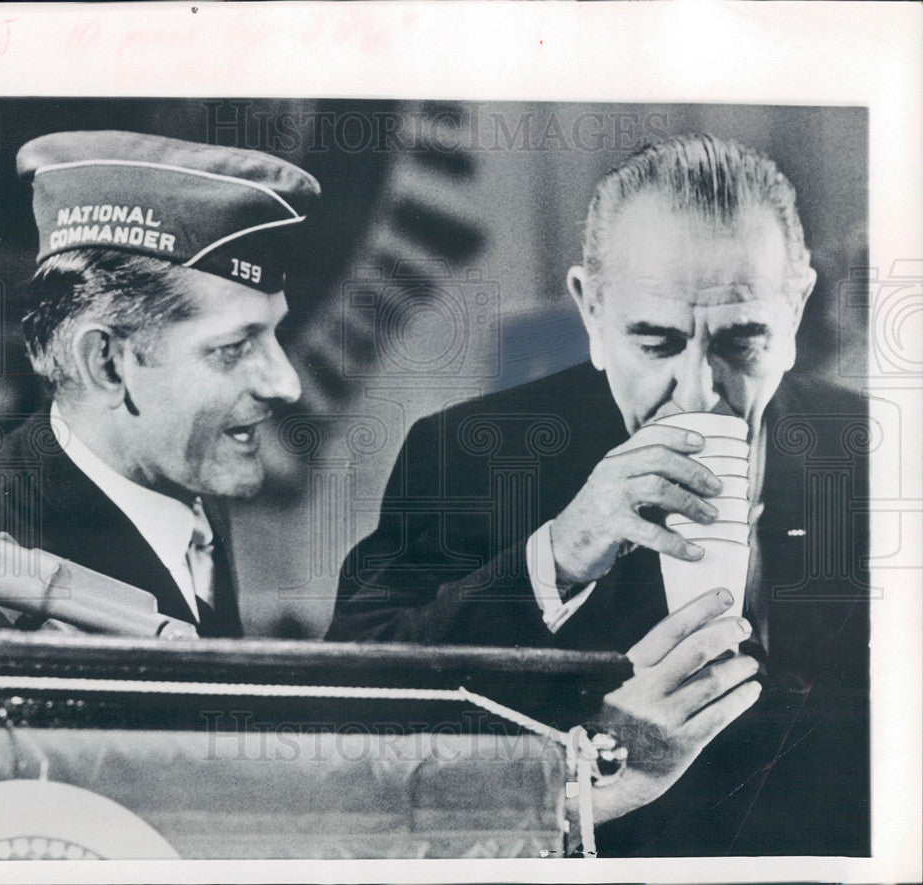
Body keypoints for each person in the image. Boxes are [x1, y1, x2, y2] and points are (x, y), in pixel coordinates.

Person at [327, 134, 870, 855]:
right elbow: (348, 716)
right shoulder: (468, 455)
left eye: (742, 340)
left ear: (795, 310)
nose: (699, 392)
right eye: (656, 342)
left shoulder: (883, 454)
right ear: (591, 313)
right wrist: (556, 553)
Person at [0, 130, 319, 637]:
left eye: (273, 333)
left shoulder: (174, 474)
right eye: (234, 347)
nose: (285, 383)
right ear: (107, 365)